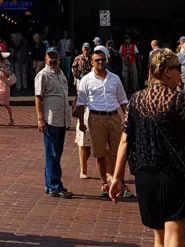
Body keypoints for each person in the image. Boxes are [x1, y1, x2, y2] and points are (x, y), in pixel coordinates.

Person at [108, 49, 185, 247]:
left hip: (145, 176)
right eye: (177, 69)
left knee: (160, 239)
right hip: (174, 176)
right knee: (175, 242)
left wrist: (117, 177)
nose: (180, 73)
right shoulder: (180, 101)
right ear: (167, 72)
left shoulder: (136, 100)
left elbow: (125, 141)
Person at [74, 45, 130, 198]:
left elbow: (123, 100)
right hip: (96, 118)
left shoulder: (115, 78)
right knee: (99, 154)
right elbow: (81, 103)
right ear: (92, 62)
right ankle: (105, 183)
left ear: (107, 61)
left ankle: (119, 182)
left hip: (114, 116)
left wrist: (128, 118)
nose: (100, 62)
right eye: (97, 60)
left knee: (118, 153)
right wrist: (81, 123)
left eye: (102, 60)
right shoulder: (86, 80)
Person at [35, 47, 73, 198]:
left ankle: (49, 183)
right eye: (50, 57)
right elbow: (38, 98)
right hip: (50, 119)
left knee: (56, 153)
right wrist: (40, 119)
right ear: (45, 59)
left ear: (59, 58)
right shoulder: (43, 75)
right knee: (52, 153)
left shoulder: (61, 73)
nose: (53, 60)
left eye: (55, 57)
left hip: (61, 119)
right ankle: (55, 186)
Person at [71, 42, 94, 179]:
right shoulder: (78, 58)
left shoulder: (92, 59)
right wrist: (78, 77)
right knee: (83, 142)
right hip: (80, 85)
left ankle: (84, 163)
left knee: (91, 146)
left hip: (95, 111)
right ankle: (83, 169)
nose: (86, 51)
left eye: (87, 49)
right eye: (84, 49)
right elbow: (73, 68)